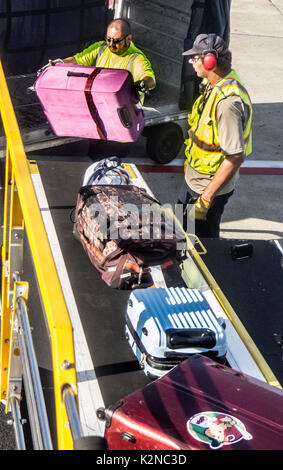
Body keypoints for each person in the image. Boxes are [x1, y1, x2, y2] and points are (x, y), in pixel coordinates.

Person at [178, 33, 252, 238]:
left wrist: (206, 199)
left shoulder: (228, 104)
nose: (191, 62)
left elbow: (235, 156)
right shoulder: (213, 85)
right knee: (180, 235)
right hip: (194, 180)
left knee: (203, 251)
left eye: (195, 58)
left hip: (206, 190)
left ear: (210, 61)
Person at [63, 18, 156, 101]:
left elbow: (150, 80)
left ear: (128, 39)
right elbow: (77, 59)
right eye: (108, 39)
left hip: (124, 110)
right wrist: (60, 63)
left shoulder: (137, 58)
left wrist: (144, 83)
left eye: (116, 41)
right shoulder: (100, 48)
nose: (111, 44)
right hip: (99, 101)